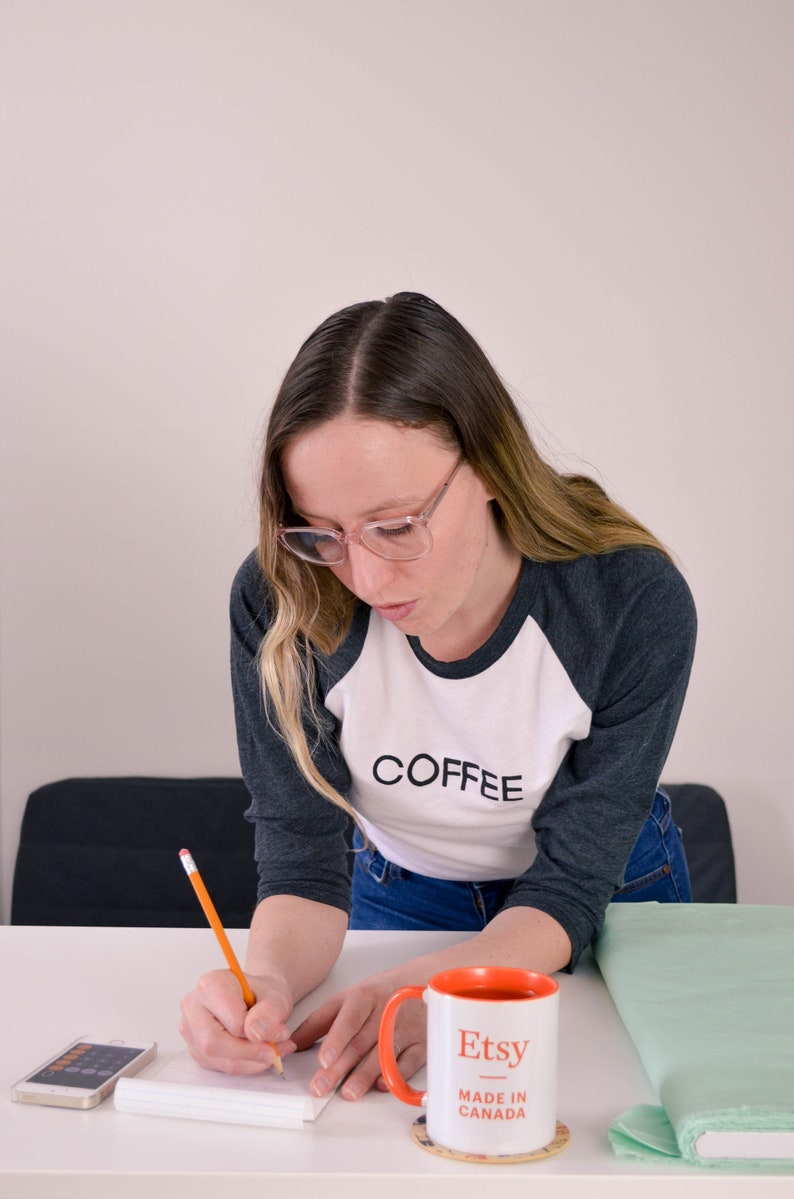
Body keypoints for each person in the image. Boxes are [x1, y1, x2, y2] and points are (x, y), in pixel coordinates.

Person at [180, 291, 696, 1102]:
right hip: (405, 892)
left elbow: (568, 884)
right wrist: (266, 981)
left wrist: (450, 980)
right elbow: (304, 861)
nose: (366, 577)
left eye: (396, 525)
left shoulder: (628, 599)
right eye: (323, 532)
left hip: (611, 894)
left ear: (490, 465)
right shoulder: (285, 596)